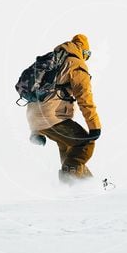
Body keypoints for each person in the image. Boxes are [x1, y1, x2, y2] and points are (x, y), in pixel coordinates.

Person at [26, 34, 101, 183]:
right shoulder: (76, 64)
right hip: (52, 118)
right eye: (88, 54)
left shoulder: (53, 60)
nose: (86, 58)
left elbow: (35, 95)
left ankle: (87, 183)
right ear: (84, 51)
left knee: (69, 148)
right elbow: (85, 98)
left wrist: (34, 129)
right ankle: (70, 184)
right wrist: (95, 126)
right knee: (85, 143)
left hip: (36, 118)